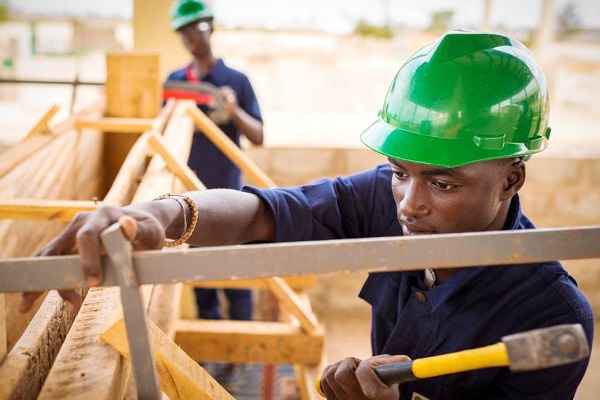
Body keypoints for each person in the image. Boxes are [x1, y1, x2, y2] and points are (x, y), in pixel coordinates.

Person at [19, 30, 593, 399]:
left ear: (512, 178)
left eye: (443, 183)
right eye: (399, 171)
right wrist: (163, 216)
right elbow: (266, 213)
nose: (409, 203)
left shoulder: (549, 314)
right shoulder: (385, 199)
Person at [163, 0, 264, 362]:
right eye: (184, 31)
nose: (191, 37)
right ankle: (213, 361)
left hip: (229, 197)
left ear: (210, 28)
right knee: (202, 280)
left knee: (236, 279)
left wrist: (233, 109)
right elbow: (162, 130)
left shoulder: (235, 81)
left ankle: (243, 357)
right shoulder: (174, 83)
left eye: (198, 28)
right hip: (188, 198)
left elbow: (258, 136)